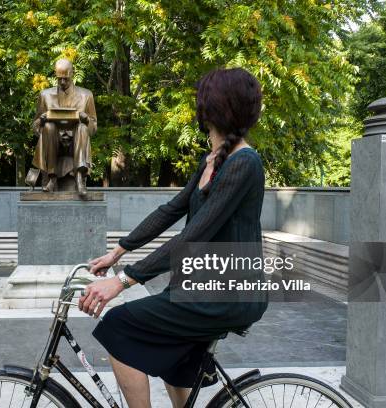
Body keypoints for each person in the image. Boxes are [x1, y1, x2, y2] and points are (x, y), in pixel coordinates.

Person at [78, 67, 268, 408]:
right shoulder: (212, 160)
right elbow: (172, 210)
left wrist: (122, 282)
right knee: (174, 367)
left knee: (118, 327)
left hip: (228, 294)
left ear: (213, 108)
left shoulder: (245, 163)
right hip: (201, 286)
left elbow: (193, 235)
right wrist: (117, 253)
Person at [32, 58, 97, 194]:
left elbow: (93, 127)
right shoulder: (45, 95)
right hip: (53, 142)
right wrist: (42, 121)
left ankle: (79, 178)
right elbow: (35, 126)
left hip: (76, 142)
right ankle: (52, 178)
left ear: (72, 74)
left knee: (82, 128)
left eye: (66, 79)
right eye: (59, 78)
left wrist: (86, 121)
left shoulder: (86, 95)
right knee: (49, 126)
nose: (62, 82)